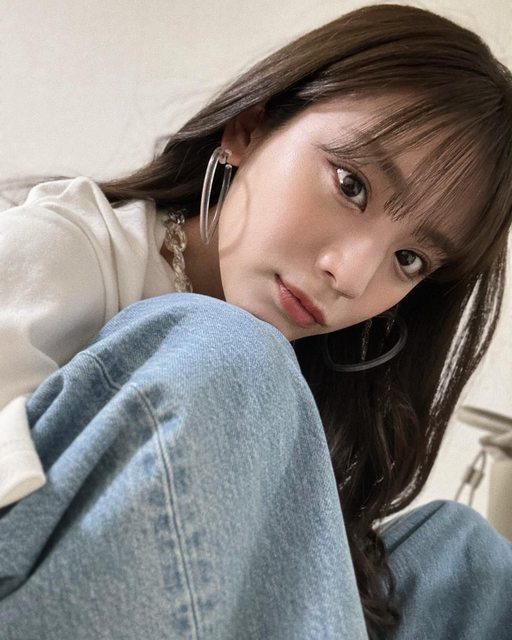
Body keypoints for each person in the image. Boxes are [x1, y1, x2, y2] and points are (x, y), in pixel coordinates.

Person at [1, 3, 511, 639]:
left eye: (409, 260)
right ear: (247, 130)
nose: (351, 277)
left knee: (462, 558)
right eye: (351, 185)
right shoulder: (61, 248)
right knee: (232, 347)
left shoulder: (297, 378)